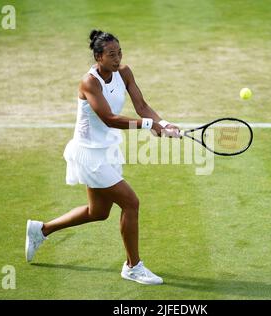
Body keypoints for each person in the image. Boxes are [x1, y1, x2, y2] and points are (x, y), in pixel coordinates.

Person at [25, 30, 180, 285]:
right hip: (89, 154)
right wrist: (150, 126)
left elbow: (142, 106)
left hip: (108, 150)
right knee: (131, 203)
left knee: (98, 212)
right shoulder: (89, 82)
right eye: (111, 55)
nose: (117, 59)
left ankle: (41, 229)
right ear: (98, 57)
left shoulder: (125, 73)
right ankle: (133, 266)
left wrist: (163, 123)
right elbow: (109, 118)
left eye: (119, 53)